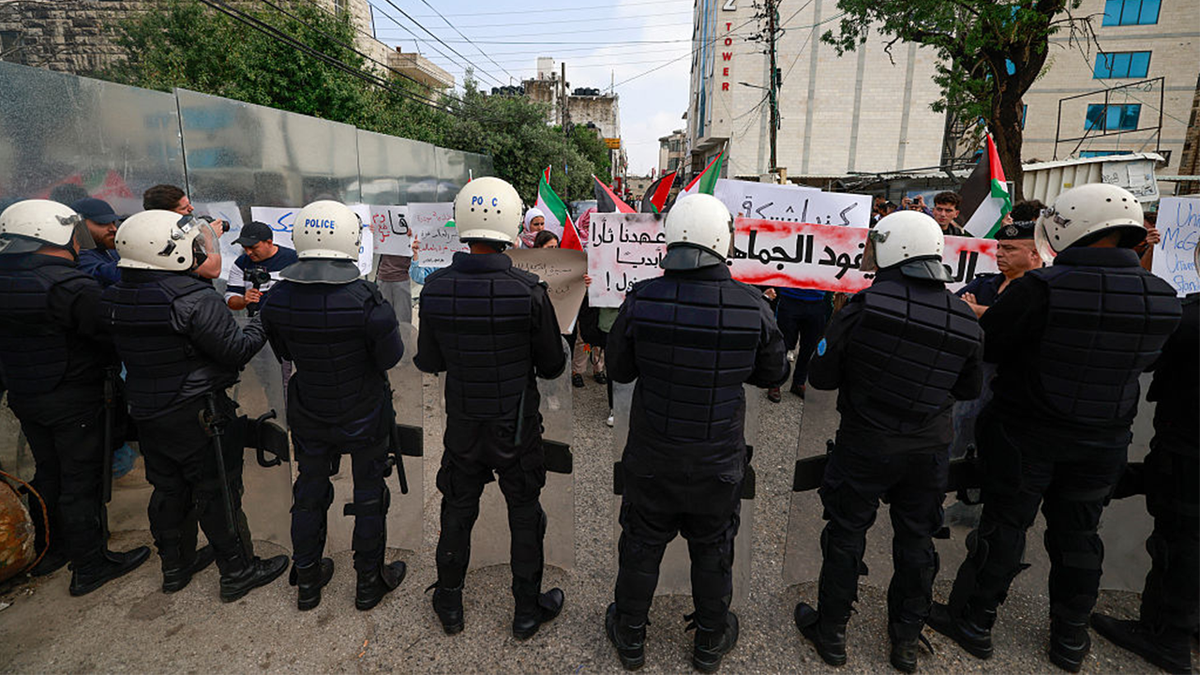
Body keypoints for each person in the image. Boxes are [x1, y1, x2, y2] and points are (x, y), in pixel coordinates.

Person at [928, 184, 1182, 673]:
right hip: (1104, 440)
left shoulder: (1040, 288)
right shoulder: (1162, 295)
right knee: (1079, 535)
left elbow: (994, 345)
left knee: (1005, 527)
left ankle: (974, 621)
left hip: (1026, 432)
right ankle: (1069, 639)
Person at [793, 210, 984, 673]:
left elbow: (821, 374)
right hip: (928, 450)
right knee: (917, 541)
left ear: (894, 249)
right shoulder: (965, 316)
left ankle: (832, 633)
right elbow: (967, 389)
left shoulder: (862, 307)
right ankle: (905, 640)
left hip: (866, 443)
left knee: (845, 534)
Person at [605, 194, 789, 673]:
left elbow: (619, 370)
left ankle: (630, 637)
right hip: (717, 459)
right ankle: (709, 643)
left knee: (642, 544)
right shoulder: (752, 304)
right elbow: (774, 374)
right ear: (722, 240)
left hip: (652, 455)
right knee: (713, 548)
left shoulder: (642, 297)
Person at [100, 209, 288, 602]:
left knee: (168, 488)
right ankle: (238, 570)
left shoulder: (115, 293)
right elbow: (234, 350)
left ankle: (176, 565)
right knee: (217, 490)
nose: (199, 252)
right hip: (197, 411)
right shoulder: (193, 298)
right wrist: (261, 319)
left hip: (148, 409)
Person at [416, 177, 568, 640]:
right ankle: (526, 611)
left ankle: (449, 601)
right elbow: (552, 364)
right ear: (511, 224)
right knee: (525, 514)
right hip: (516, 426)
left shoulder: (437, 288)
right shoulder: (529, 291)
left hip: (463, 423)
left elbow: (428, 361)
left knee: (457, 511)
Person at [258, 201, 407, 612]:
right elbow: (389, 357)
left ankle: (307, 580)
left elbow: (284, 351)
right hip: (363, 409)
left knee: (308, 491)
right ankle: (368, 583)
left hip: (309, 408)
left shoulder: (277, 298)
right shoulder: (366, 299)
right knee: (369, 494)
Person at [0, 200, 151, 593]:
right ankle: (91, 564)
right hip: (75, 396)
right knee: (81, 480)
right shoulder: (70, 286)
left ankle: (52, 551)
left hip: (26, 393)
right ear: (53, 235)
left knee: (48, 473)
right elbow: (107, 334)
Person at [1090, 244, 1197, 674]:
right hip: (1184, 449)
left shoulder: (1189, 320)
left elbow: (1146, 357)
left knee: (1181, 544)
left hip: (1188, 450)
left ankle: (1167, 635)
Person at [956, 219, 1043, 317]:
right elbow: (950, 304)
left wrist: (975, 310)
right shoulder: (984, 283)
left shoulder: (1044, 290)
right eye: (999, 247)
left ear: (1034, 254)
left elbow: (1018, 318)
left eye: (1009, 249)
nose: (998, 254)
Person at [142, 184, 223, 280]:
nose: (191, 208)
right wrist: (209, 237)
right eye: (184, 208)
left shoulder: (144, 230)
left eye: (189, 204)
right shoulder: (170, 240)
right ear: (167, 213)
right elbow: (213, 271)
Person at [767, 287, 827, 402]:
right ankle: (775, 383)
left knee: (809, 347)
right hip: (790, 298)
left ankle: (799, 382)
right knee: (781, 345)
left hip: (817, 301)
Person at [224, 221, 297, 313]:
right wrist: (243, 300)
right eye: (245, 247)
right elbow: (231, 299)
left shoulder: (294, 260)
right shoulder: (241, 263)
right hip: (256, 320)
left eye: (253, 247)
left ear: (269, 243)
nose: (248, 252)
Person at [71, 197, 123, 287]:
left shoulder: (110, 250)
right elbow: (105, 276)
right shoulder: (76, 255)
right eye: (102, 223)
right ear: (79, 226)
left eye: (113, 223)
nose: (113, 229)